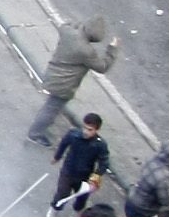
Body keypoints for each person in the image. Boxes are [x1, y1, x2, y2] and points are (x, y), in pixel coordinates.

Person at [29, 15, 117, 145]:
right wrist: (112, 49)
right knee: (51, 108)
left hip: (52, 73)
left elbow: (65, 24)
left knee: (52, 105)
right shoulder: (86, 51)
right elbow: (102, 67)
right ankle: (35, 134)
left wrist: (80, 25)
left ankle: (42, 125)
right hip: (64, 85)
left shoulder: (68, 32)